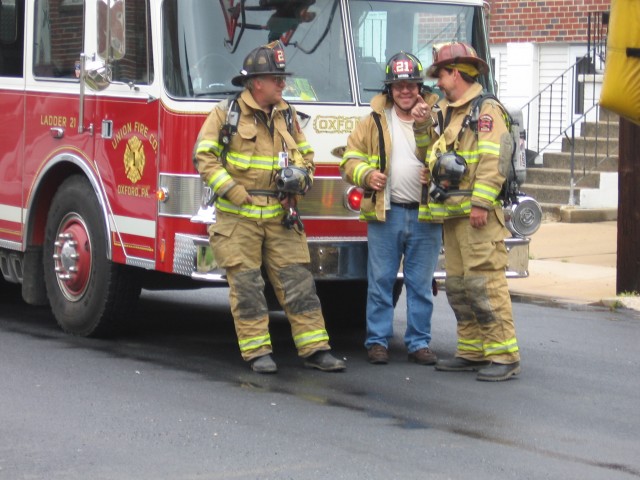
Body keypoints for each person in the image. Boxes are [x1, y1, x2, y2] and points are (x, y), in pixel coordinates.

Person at [193, 41, 345, 374]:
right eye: (276, 78)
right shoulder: (225, 113)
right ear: (256, 82)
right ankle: (257, 352)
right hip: (239, 220)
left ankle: (316, 349)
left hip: (281, 216)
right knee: (247, 287)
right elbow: (203, 157)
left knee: (299, 283)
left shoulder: (287, 114)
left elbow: (306, 155)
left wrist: (300, 179)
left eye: (282, 78)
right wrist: (231, 190)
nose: (282, 84)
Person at [411, 42, 521, 381]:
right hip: (453, 214)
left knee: (484, 284)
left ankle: (503, 355)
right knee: (459, 286)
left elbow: (494, 162)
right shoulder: (448, 110)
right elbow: (427, 154)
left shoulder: (485, 111)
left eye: (440, 76)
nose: (437, 84)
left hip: (477, 215)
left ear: (455, 73)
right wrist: (420, 127)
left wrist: (481, 204)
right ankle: (472, 350)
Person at [340, 52, 443, 365]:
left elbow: (452, 158)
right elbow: (349, 160)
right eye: (398, 86)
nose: (405, 91)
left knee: (421, 285)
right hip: (386, 213)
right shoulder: (373, 121)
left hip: (426, 214)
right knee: (381, 281)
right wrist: (367, 175)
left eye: (411, 84)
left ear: (420, 87)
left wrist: (436, 170)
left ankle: (419, 343)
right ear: (389, 89)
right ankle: (377, 342)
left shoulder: (437, 117)